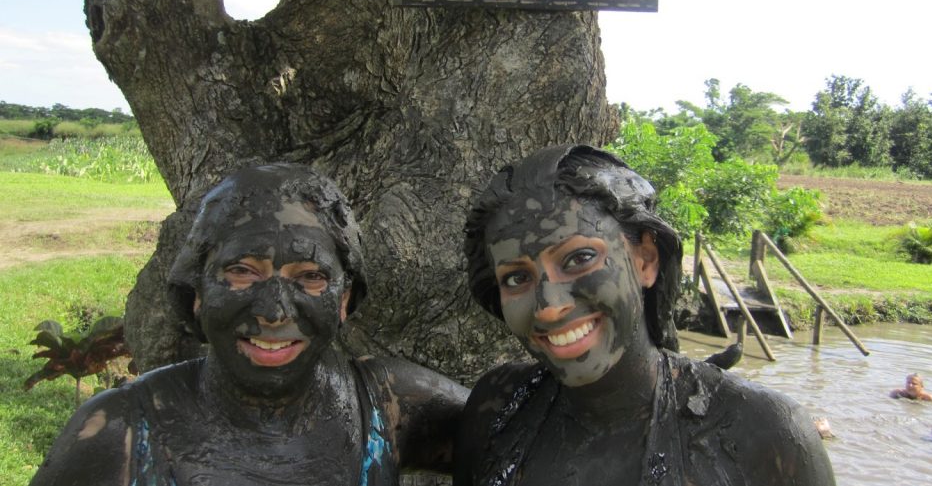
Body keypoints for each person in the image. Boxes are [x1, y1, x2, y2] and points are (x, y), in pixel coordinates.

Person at [31, 163, 468, 486]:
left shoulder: (389, 407)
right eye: (242, 272)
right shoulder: (121, 433)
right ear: (198, 292)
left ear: (344, 299)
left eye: (310, 277)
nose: (274, 312)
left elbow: (528, 425)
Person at [456, 145, 835, 486]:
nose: (550, 306)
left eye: (579, 258)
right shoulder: (498, 408)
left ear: (646, 259)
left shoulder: (766, 436)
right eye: (517, 278)